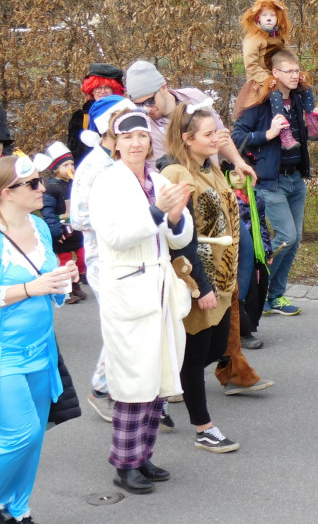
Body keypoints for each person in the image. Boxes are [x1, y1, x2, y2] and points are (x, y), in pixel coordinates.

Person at [89, 108, 194, 495]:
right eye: (127, 137)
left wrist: (177, 218)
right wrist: (157, 212)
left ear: (151, 141)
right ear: (115, 143)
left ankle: (143, 455)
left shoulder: (157, 179)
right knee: (134, 379)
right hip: (128, 288)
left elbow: (178, 237)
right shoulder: (106, 183)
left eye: (142, 136)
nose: (136, 143)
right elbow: (115, 237)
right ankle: (125, 463)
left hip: (160, 288)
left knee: (157, 377)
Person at [160, 103, 271, 453]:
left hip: (222, 279)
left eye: (216, 133)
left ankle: (156, 392)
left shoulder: (210, 167)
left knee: (215, 349)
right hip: (197, 280)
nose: (216, 139)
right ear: (187, 138)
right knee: (195, 358)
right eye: (208, 134)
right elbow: (178, 238)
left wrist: (233, 176)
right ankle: (204, 428)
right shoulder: (177, 173)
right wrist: (200, 286)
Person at [0, 155, 78, 524]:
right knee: (23, 434)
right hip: (5, 353)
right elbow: (32, 286)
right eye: (32, 184)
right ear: (6, 192)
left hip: (43, 348)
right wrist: (32, 288)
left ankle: (17, 509)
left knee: (34, 439)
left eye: (40, 180)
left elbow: (47, 284)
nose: (42, 188)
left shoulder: (39, 227)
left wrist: (63, 278)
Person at [68, 96, 136, 423]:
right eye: (123, 118)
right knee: (119, 322)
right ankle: (100, 389)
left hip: (129, 252)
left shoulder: (124, 159)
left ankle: (124, 384)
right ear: (108, 125)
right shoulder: (93, 165)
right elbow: (78, 217)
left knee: (131, 319)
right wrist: (117, 220)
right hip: (101, 257)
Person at [232, 49, 310, 316]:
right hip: (269, 182)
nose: (295, 76)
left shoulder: (298, 100)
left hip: (295, 179)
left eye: (297, 70)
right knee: (286, 236)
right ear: (275, 73)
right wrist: (268, 134)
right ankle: (253, 287)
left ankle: (274, 297)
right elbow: (237, 137)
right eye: (289, 71)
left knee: (294, 240)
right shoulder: (260, 103)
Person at [124, 60, 257, 181]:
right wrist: (206, 147)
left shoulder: (194, 97)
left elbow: (221, 134)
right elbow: (168, 172)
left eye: (150, 101)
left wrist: (238, 162)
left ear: (164, 87)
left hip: (216, 182)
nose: (146, 109)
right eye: (139, 105)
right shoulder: (145, 128)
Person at [232, 0, 318, 146]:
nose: (268, 18)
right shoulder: (253, 39)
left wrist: (297, 73)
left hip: (279, 75)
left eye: (272, 15)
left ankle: (313, 125)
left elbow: (288, 56)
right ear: (258, 18)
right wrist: (268, 80)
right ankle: (283, 130)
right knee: (275, 94)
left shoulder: (279, 37)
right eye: (264, 15)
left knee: (306, 88)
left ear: (278, 17)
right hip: (260, 80)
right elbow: (251, 66)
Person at [224, 163, 271, 350]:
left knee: (257, 288)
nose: (238, 178)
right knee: (241, 289)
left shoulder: (256, 199)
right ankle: (242, 332)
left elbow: (261, 225)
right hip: (235, 251)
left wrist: (266, 250)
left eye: (243, 174)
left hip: (254, 250)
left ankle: (248, 325)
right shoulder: (227, 198)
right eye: (233, 174)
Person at [37, 141, 87, 303]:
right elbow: (48, 211)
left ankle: (76, 284)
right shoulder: (52, 188)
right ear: (56, 169)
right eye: (65, 165)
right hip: (62, 231)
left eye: (72, 164)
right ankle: (67, 291)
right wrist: (56, 231)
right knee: (66, 262)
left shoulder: (75, 184)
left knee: (82, 257)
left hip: (76, 229)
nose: (70, 168)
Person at [66, 63, 126, 163]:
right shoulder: (80, 117)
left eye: (107, 87)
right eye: (98, 87)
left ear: (114, 90)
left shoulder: (123, 113)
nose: (102, 91)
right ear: (92, 90)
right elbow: (75, 151)